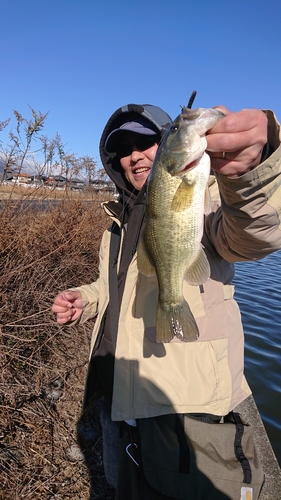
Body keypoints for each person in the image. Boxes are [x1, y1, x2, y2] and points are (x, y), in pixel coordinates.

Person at [52, 102, 281, 499]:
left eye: (146, 142)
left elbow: (252, 234)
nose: (134, 154)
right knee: (121, 486)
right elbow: (116, 287)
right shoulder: (117, 223)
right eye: (123, 147)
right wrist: (85, 300)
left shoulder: (209, 195)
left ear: (166, 146)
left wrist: (248, 175)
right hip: (117, 393)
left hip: (182, 405)